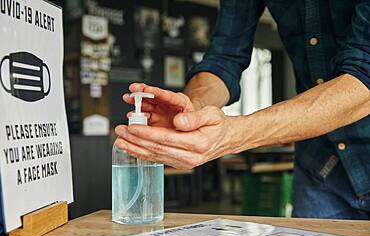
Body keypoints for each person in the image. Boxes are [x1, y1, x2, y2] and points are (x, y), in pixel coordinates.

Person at [115, 1, 370, 219]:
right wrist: (192, 109)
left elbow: (365, 73)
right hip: (320, 166)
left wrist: (235, 135)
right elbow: (224, 57)